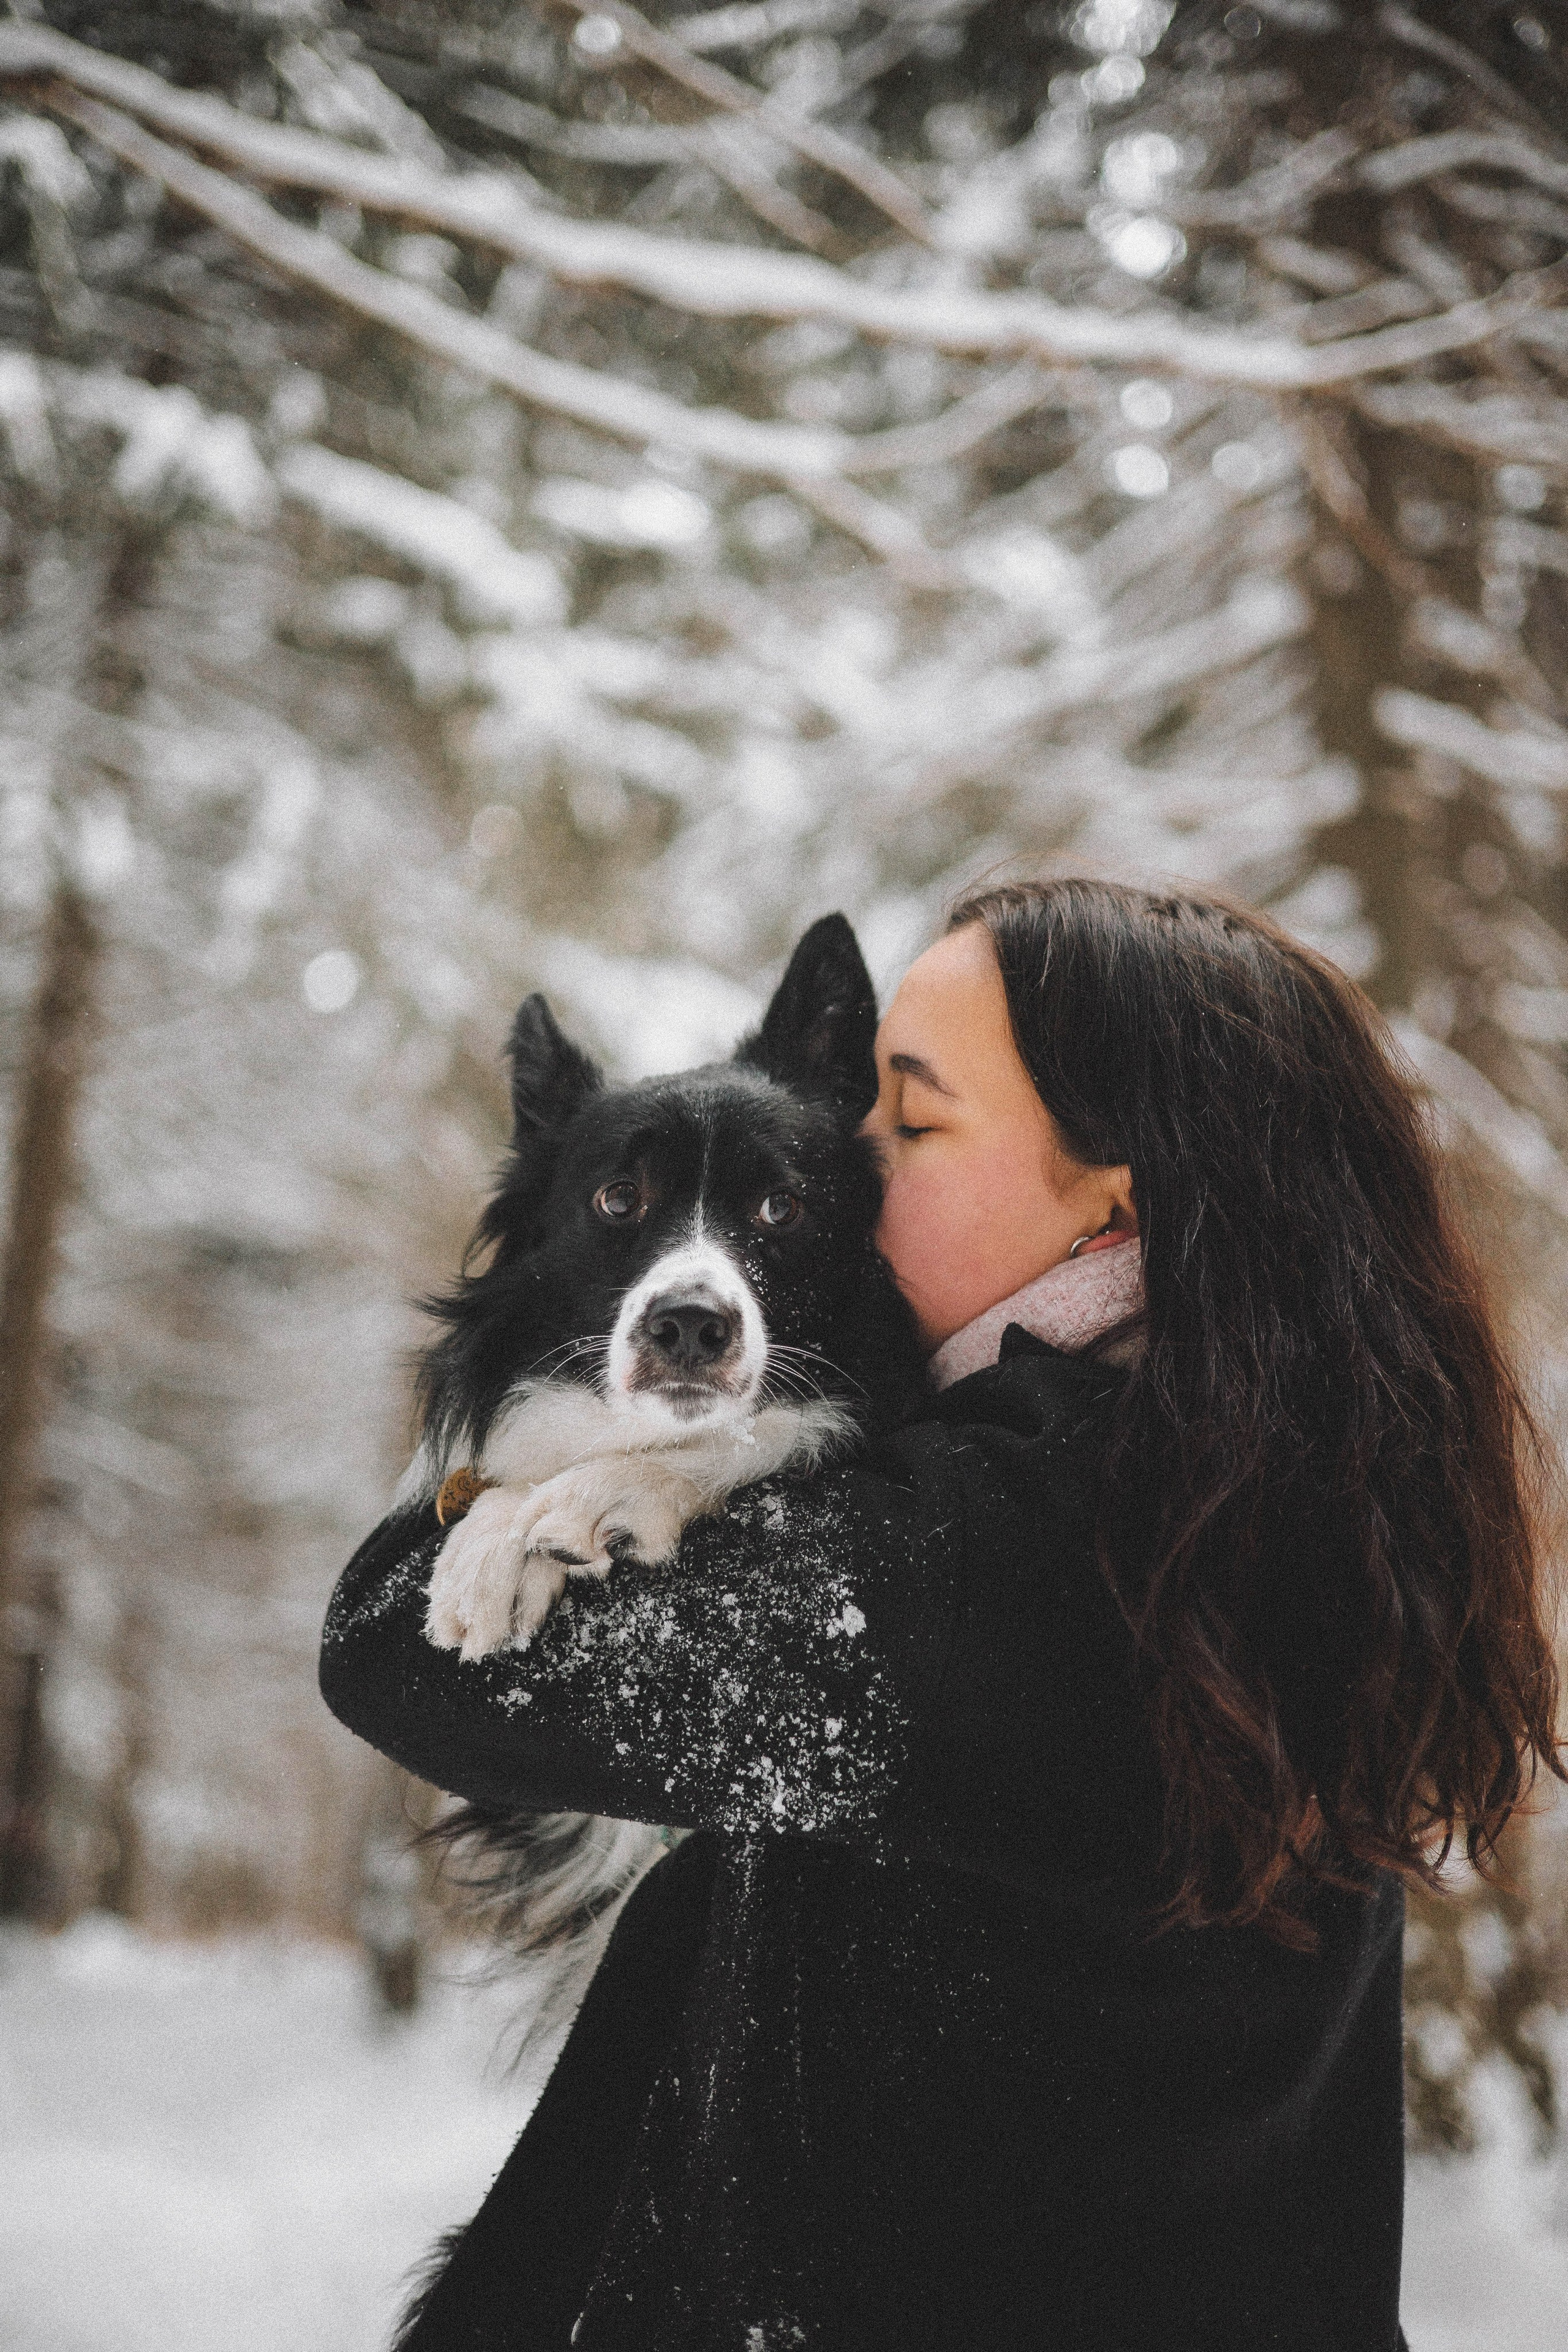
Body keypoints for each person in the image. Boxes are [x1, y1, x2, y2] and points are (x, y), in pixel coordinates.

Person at [320, 878, 1564, 2352]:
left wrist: (529, 1460)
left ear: (1116, 1188)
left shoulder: (1029, 1545)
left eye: (909, 1125)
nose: (849, 1174)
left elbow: (404, 1645)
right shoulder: (1249, 1488)